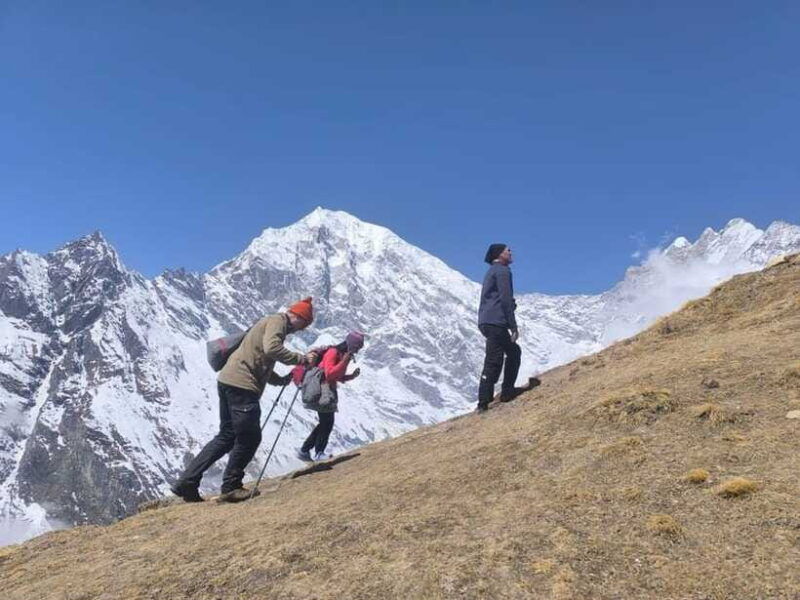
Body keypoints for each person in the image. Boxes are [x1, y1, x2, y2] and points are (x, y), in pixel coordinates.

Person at [171, 297, 318, 503]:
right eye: (304, 324)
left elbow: (259, 356)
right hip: (242, 385)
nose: (302, 329)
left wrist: (280, 380)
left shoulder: (270, 322)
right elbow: (271, 349)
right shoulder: (278, 322)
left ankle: (187, 481)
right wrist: (302, 359)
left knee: (227, 436)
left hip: (228, 380)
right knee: (250, 437)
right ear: (298, 317)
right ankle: (231, 487)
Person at [296, 331, 364, 462]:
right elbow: (330, 374)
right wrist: (345, 361)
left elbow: (337, 375)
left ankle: (304, 450)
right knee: (327, 423)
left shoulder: (342, 354)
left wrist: (351, 376)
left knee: (325, 422)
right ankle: (318, 452)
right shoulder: (333, 353)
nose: (357, 350)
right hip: (321, 392)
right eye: (357, 347)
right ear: (350, 344)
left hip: (326, 391)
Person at [476, 244, 522, 412]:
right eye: (507, 250)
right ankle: (501, 394)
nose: (510, 252)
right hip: (496, 321)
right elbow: (505, 299)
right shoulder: (503, 271)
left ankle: (485, 399)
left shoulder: (491, 271)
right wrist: (513, 326)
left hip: (486, 321)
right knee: (501, 357)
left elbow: (496, 298)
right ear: (499, 254)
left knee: (498, 357)